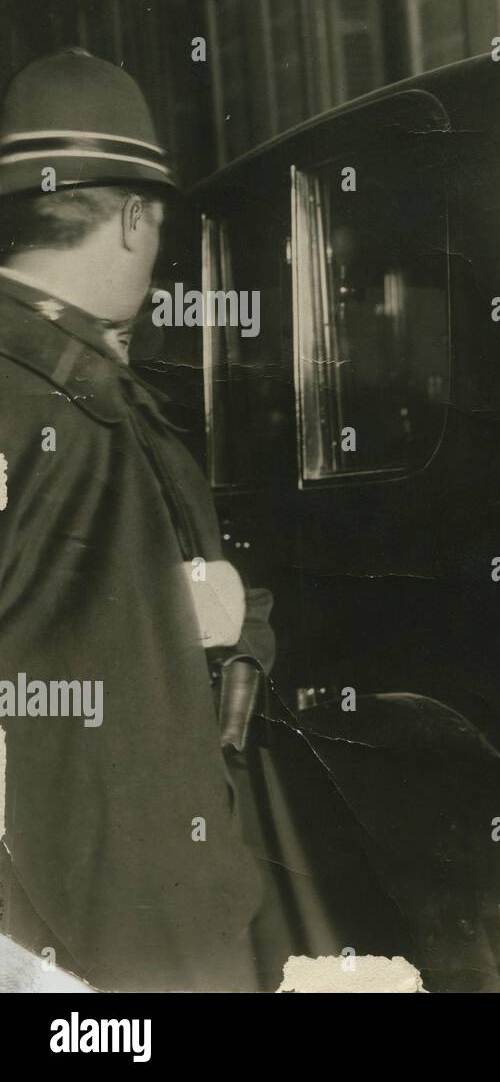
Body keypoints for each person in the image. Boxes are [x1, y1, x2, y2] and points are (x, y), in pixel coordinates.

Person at [0, 49, 273, 988]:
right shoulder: (71, 405)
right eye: (157, 225)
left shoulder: (59, 386)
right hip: (114, 944)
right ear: (129, 218)